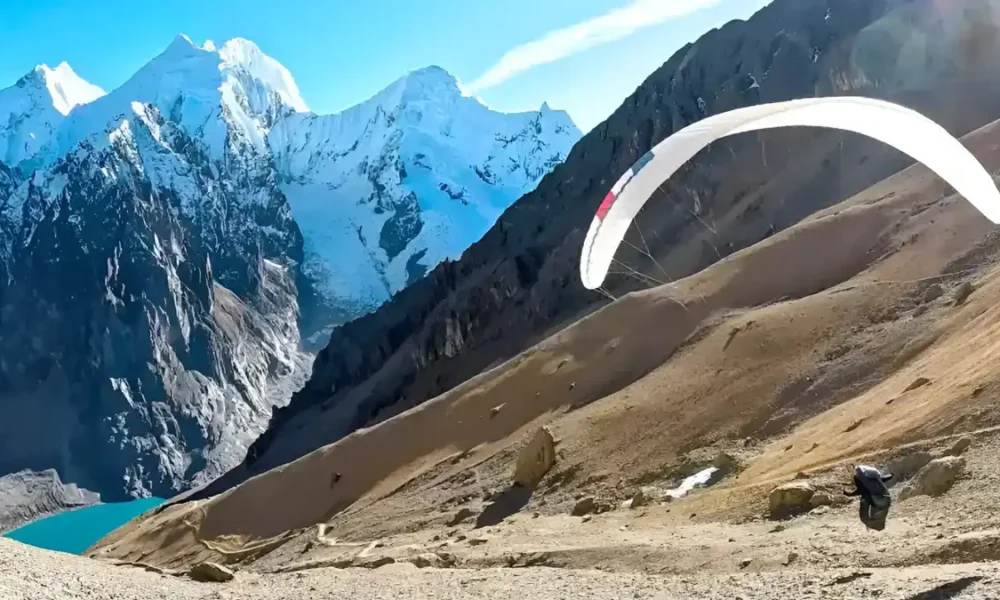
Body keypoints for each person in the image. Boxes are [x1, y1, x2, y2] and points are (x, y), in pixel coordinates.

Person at [844, 464, 893, 530]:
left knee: (865, 499)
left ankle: (874, 523)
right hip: (885, 499)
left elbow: (860, 491)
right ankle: (877, 523)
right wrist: (890, 475)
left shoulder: (864, 484)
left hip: (883, 501)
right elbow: (883, 478)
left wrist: (849, 494)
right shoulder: (873, 479)